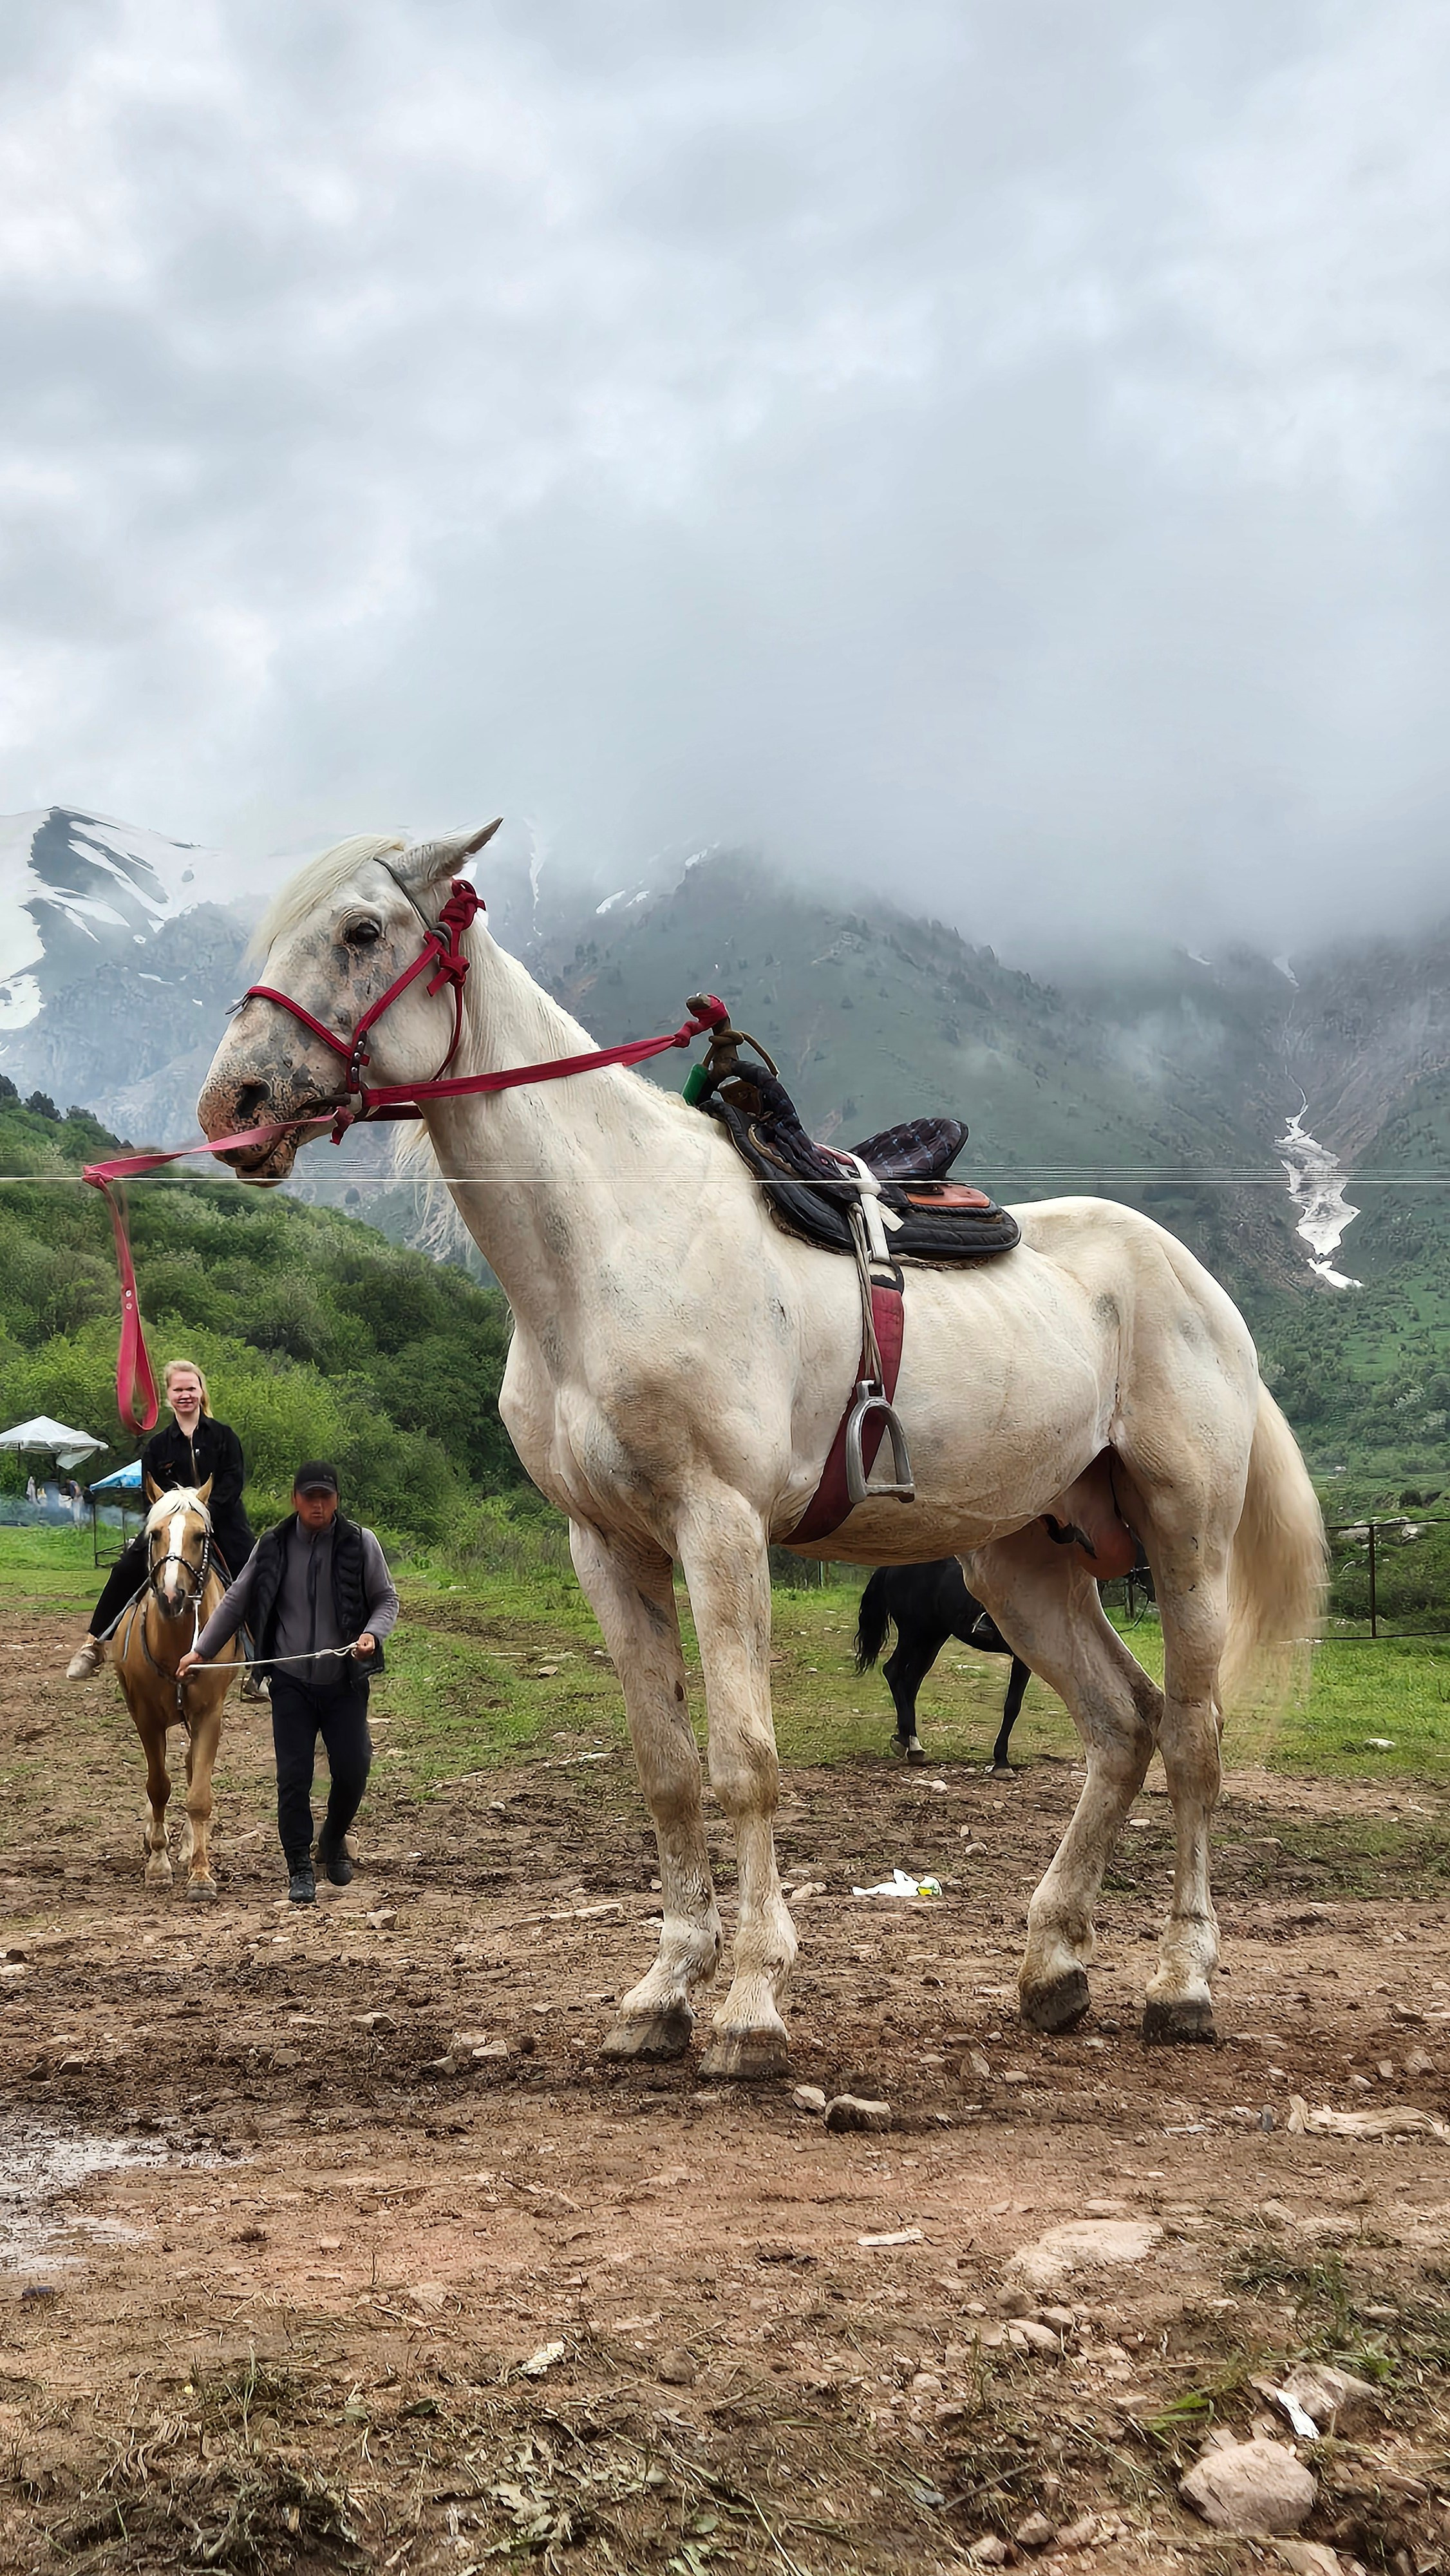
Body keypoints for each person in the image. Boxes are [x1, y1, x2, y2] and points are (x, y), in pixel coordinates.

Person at [178, 1463, 398, 1906]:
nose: (318, 1506)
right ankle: (299, 1867)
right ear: (295, 1499)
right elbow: (236, 1601)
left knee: (354, 1768)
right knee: (294, 1778)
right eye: (309, 1497)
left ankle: (332, 1839)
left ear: (337, 1500)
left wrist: (372, 1635)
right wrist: (201, 1651)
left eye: (325, 1497)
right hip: (290, 1683)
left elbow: (386, 1599)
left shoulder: (361, 1543)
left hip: (345, 1680)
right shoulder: (273, 1545)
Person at [66, 1359, 257, 1680]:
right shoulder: (157, 1447)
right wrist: (171, 1520)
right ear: (168, 1396)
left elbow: (232, 1484)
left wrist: (201, 1516)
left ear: (201, 1392)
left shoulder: (224, 1437)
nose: (185, 1395)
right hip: (168, 1526)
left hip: (221, 1523)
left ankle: (261, 1666)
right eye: (178, 1389)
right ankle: (94, 1644)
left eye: (191, 1388)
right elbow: (150, 1496)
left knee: (255, 1574)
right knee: (126, 1568)